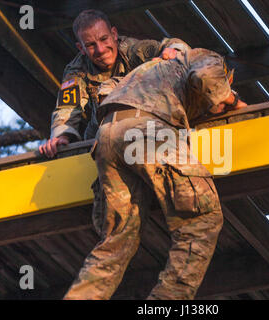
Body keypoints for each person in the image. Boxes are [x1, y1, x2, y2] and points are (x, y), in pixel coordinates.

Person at [62, 47, 247, 299]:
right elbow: (205, 79)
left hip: (106, 137)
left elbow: (98, 114)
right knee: (201, 219)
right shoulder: (204, 57)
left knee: (116, 242)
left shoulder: (145, 73)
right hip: (146, 129)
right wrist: (232, 100)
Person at [39, 9, 191, 158]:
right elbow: (67, 108)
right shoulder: (76, 70)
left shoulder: (134, 50)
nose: (100, 49)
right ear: (81, 48)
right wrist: (62, 135)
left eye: (104, 39)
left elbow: (172, 45)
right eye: (91, 45)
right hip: (102, 132)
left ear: (114, 34)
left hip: (146, 120)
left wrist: (173, 51)